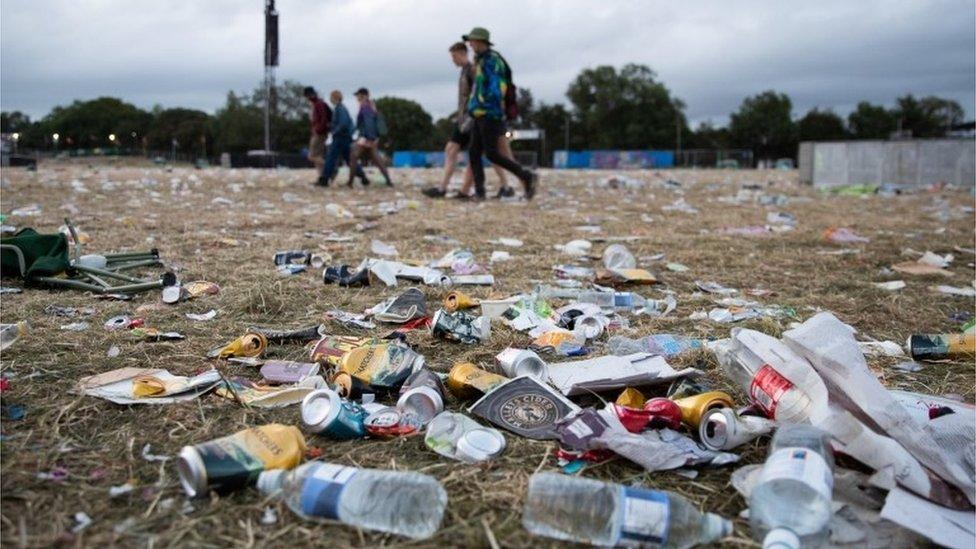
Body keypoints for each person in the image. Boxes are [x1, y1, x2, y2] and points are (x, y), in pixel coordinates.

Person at [423, 42, 513, 199]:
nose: (453, 60)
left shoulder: (472, 70)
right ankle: (444, 188)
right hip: (463, 119)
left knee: (482, 154)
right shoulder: (465, 71)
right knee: (452, 149)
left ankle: (499, 186)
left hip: (473, 119)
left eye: (453, 56)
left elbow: (479, 96)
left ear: (461, 53)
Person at [462, 27, 536, 200]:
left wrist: (483, 104)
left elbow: (497, 88)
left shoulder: (493, 61)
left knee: (492, 153)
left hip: (490, 114)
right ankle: (480, 191)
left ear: (480, 41)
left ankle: (526, 175)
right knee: (474, 153)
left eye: (472, 41)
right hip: (479, 113)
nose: (470, 45)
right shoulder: (481, 60)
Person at [346, 88, 393, 187]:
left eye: (358, 95)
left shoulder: (365, 107)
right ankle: (389, 181)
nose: (357, 97)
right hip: (371, 137)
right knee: (377, 160)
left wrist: (369, 138)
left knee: (353, 157)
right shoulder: (371, 106)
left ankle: (350, 182)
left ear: (363, 96)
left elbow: (368, 124)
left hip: (366, 138)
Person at [320, 90, 367, 186]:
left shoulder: (339, 109)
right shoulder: (342, 108)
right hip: (345, 137)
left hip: (340, 137)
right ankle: (362, 176)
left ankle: (324, 178)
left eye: (331, 97)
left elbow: (343, 123)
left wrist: (334, 131)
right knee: (349, 159)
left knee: (331, 157)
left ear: (334, 98)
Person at [303, 87, 331, 183]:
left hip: (319, 134)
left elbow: (323, 119)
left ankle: (330, 168)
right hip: (320, 133)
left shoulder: (318, 104)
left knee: (312, 156)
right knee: (318, 156)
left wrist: (317, 130)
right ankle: (322, 177)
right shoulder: (318, 104)